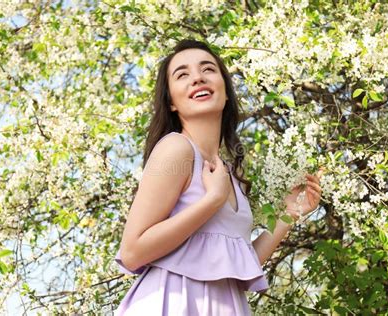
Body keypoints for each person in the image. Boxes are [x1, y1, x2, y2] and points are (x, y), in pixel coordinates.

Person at [114, 39, 323, 315]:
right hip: (172, 303)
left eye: (208, 69)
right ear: (171, 102)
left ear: (225, 92)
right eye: (182, 74)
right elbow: (132, 252)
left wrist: (290, 212)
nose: (198, 78)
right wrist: (211, 200)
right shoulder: (176, 149)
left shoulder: (227, 175)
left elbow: (238, 261)